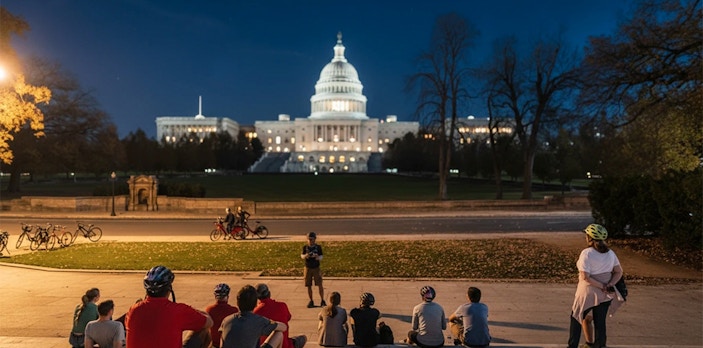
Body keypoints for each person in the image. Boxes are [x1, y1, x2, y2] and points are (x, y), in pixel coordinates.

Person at [125, 265, 213, 348]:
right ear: (169, 289)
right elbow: (209, 322)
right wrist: (191, 310)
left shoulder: (134, 310)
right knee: (203, 328)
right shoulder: (178, 311)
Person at [568, 224, 624, 348]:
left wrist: (600, 285)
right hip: (605, 294)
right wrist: (609, 284)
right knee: (600, 322)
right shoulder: (610, 254)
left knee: (576, 317)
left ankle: (572, 345)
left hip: (587, 292)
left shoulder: (586, 253)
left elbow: (585, 277)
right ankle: (600, 345)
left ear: (589, 238)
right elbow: (619, 271)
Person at [220, 285, 287, 348]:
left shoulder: (226, 320)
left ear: (237, 302)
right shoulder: (258, 321)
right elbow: (284, 327)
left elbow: (221, 345)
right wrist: (270, 323)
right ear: (255, 304)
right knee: (279, 334)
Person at [254, 283, 308, 348]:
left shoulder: (256, 312)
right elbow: (288, 317)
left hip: (265, 344)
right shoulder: (282, 306)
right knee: (303, 338)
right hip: (285, 345)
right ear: (269, 293)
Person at [205, 283, 239, 348]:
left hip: (214, 344)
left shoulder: (209, 310)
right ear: (227, 296)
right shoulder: (234, 310)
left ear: (215, 296)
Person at [301, 231, 325, 308]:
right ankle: (311, 300)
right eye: (309, 239)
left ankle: (322, 300)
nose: (310, 241)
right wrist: (306, 256)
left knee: (320, 284)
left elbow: (321, 256)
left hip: (316, 267)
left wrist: (317, 257)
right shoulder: (305, 247)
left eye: (312, 239)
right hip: (308, 267)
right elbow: (302, 255)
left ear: (315, 239)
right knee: (308, 285)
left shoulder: (318, 247)